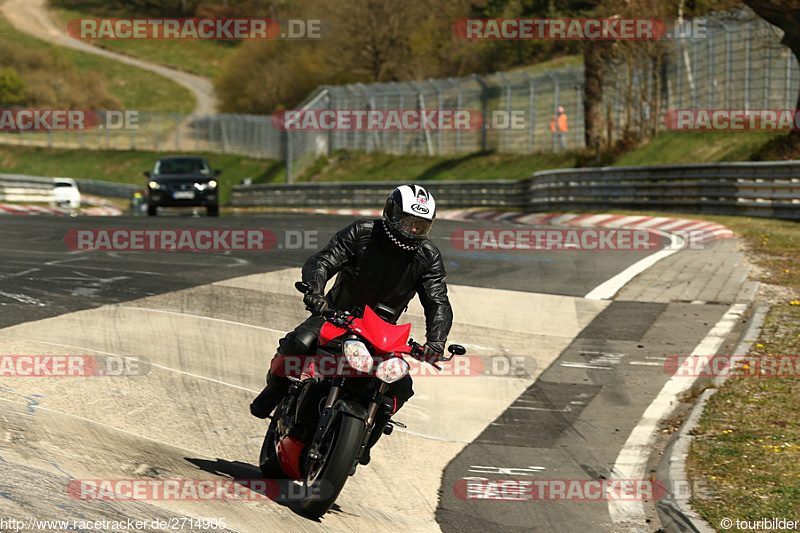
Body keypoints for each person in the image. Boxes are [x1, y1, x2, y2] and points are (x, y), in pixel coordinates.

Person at [250, 184, 454, 462]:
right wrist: (315, 293)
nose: (412, 230)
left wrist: (436, 341)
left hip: (381, 333)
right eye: (408, 221)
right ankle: (274, 390)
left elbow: (438, 301)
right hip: (335, 315)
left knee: (401, 386)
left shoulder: (428, 256)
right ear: (391, 214)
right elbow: (323, 261)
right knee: (299, 343)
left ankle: (364, 438)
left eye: (421, 225)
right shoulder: (362, 232)